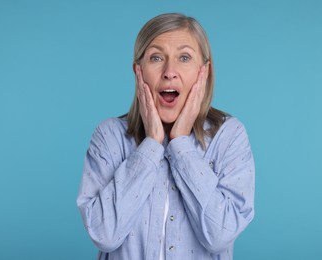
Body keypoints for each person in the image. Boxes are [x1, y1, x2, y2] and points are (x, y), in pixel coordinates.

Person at [77, 13, 255, 260]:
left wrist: (181, 143)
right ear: (138, 71)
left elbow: (220, 235)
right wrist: (151, 146)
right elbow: (104, 234)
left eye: (184, 57)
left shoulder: (229, 136)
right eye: (156, 57)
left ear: (204, 72)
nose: (169, 72)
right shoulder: (109, 136)